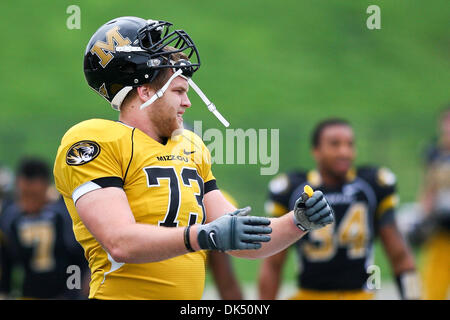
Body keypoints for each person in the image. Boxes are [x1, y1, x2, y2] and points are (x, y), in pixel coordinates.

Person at [52, 16, 334, 300]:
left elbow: (240, 238)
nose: (187, 102)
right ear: (145, 90)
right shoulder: (95, 140)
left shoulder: (190, 146)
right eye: (178, 91)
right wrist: (202, 236)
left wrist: (297, 222)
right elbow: (120, 242)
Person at [259, 118, 420, 300]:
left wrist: (414, 297)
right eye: (335, 144)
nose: (344, 152)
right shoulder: (294, 190)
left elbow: (400, 255)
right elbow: (273, 263)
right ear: (316, 151)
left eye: (350, 144)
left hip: (359, 296)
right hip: (309, 296)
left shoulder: (372, 186)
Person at [0, 157, 88, 299]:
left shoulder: (62, 214)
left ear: (46, 187)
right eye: (24, 195)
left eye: (33, 195)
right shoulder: (11, 217)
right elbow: (6, 259)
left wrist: (74, 292)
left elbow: (79, 257)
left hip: (63, 294)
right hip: (30, 293)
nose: (27, 202)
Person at [417, 106, 450, 299]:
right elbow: (428, 188)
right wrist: (423, 215)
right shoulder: (435, 153)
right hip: (441, 229)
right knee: (433, 287)